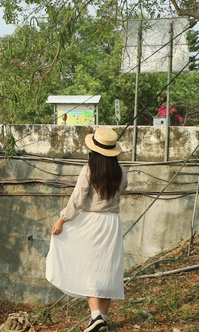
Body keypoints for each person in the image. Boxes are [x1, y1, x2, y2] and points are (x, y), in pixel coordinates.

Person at [47, 126, 127, 332]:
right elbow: (120, 191)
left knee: (91, 270)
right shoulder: (121, 172)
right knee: (108, 270)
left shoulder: (89, 170)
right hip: (112, 223)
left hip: (92, 222)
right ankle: (103, 319)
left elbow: (78, 198)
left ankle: (95, 317)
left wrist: (62, 220)